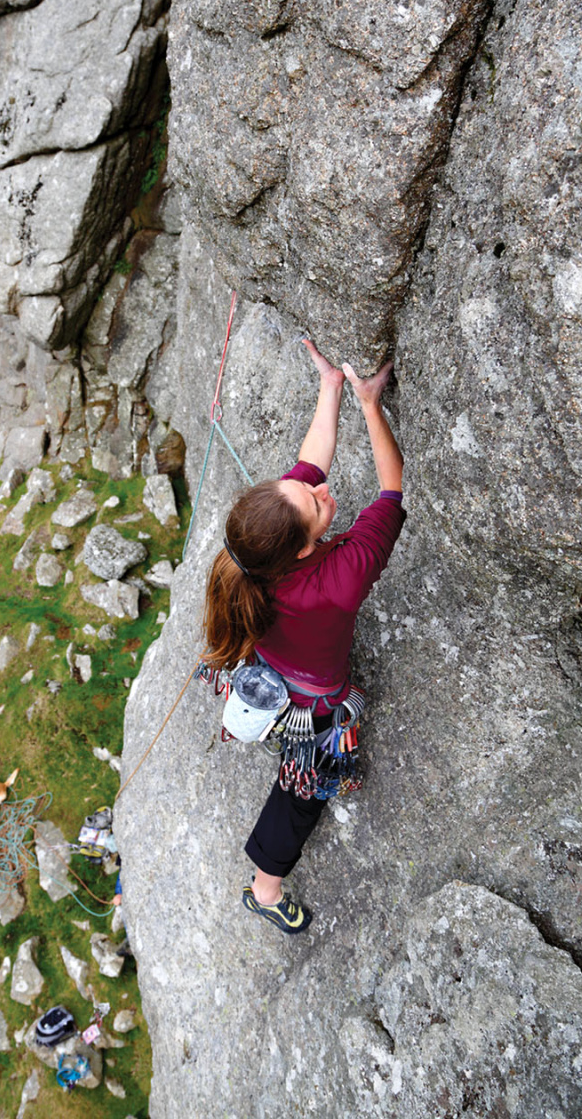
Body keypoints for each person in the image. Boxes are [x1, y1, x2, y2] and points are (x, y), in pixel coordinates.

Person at [202, 339, 405, 933]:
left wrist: (331, 387)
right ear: (303, 545)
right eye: (315, 504)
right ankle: (266, 892)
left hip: (266, 669)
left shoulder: (254, 554)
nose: (319, 490)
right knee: (302, 793)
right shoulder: (340, 580)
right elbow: (391, 489)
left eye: (305, 490)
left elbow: (310, 462)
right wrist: (370, 405)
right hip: (313, 706)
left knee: (299, 784)